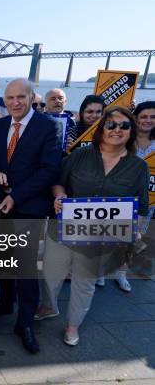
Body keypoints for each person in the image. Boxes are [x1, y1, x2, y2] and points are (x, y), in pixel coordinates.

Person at [36, 106, 149, 346]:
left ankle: (73, 324)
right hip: (64, 228)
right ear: (101, 128)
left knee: (84, 282)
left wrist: (135, 230)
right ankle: (49, 306)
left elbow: (140, 207)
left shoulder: (138, 167)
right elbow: (58, 183)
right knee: (50, 274)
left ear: (132, 131)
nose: (116, 130)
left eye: (124, 125)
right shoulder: (80, 155)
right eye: (111, 124)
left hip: (102, 236)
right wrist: (59, 197)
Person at [0, 78, 62, 354]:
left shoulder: (49, 126)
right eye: (10, 98)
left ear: (30, 98)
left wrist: (16, 195)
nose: (15, 102)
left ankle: (25, 323)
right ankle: (4, 304)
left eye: (21, 97)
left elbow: (49, 170)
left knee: (26, 268)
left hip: (28, 208)